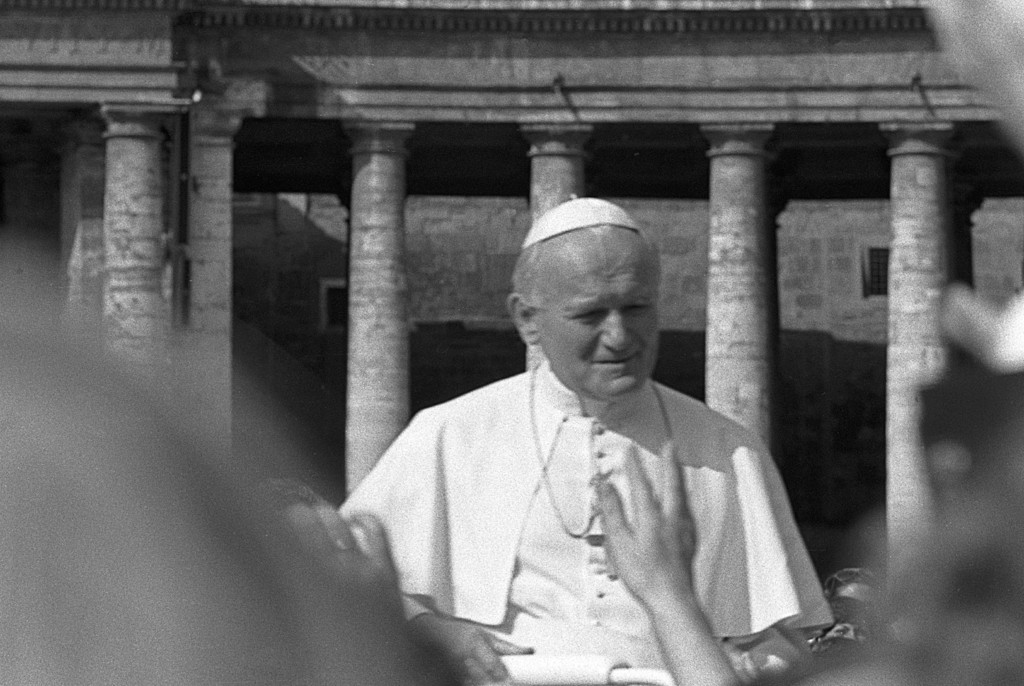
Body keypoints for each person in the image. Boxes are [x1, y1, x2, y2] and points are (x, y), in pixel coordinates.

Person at [342, 197, 832, 684]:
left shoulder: (728, 450)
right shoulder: (450, 433)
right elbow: (338, 582)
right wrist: (434, 632)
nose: (619, 336)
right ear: (527, 320)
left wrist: (753, 665)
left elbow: (782, 642)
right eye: (590, 314)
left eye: (636, 307)